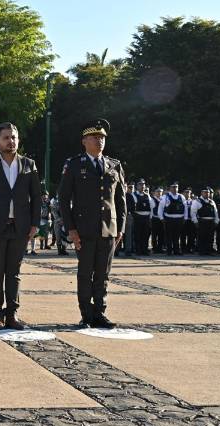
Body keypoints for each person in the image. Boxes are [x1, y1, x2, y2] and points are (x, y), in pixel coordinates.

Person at [58, 118, 126, 329]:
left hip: (108, 229)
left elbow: (121, 201)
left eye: (102, 137)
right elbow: (63, 199)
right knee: (85, 274)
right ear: (84, 141)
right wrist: (71, 229)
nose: (100, 141)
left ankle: (100, 313)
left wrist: (120, 228)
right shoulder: (74, 165)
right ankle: (86, 315)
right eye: (95, 137)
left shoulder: (114, 165)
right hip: (84, 229)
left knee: (103, 274)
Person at [0, 122, 42, 330]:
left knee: (14, 272)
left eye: (14, 137)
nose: (10, 141)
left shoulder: (29, 164)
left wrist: (35, 223)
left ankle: (12, 314)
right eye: (6, 138)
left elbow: (36, 197)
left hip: (20, 227)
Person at [158, 182, 186, 255]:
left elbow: (185, 208)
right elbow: (160, 208)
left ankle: (176, 251)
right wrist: (161, 218)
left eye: (176, 187)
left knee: (177, 236)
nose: (174, 188)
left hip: (179, 219)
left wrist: (185, 218)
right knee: (169, 236)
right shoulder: (165, 197)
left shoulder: (181, 197)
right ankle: (169, 251)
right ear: (170, 188)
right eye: (173, 187)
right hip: (169, 219)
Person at [191, 187, 219, 256]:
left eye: (208, 192)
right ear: (202, 193)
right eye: (205, 192)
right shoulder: (197, 201)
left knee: (210, 237)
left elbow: (216, 212)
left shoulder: (212, 202)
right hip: (202, 222)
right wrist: (195, 221)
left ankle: (209, 250)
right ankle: (202, 251)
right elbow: (193, 212)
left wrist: (216, 221)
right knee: (202, 237)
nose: (207, 194)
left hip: (211, 222)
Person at [131, 179, 153, 255]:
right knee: (138, 235)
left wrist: (150, 218)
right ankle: (138, 250)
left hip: (146, 217)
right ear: (137, 186)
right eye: (140, 184)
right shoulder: (133, 195)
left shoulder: (147, 195)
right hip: (138, 217)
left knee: (146, 235)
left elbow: (152, 206)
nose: (142, 186)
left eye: (143, 184)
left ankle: (145, 250)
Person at [118, 182, 135, 257]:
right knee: (118, 233)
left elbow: (133, 206)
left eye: (125, 187)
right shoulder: (117, 195)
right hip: (119, 216)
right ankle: (116, 250)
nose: (124, 188)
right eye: (123, 186)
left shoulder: (129, 196)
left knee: (128, 235)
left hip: (128, 216)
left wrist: (131, 215)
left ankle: (128, 250)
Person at [181, 187, 197, 254]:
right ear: (183, 193)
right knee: (183, 235)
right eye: (186, 192)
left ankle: (189, 248)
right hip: (183, 220)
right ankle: (183, 249)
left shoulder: (193, 201)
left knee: (191, 235)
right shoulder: (181, 201)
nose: (187, 194)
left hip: (191, 220)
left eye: (189, 192)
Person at [150, 187, 165, 253]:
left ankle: (160, 248)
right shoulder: (152, 199)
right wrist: (150, 219)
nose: (159, 193)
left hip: (161, 219)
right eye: (158, 191)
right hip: (155, 219)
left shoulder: (163, 199)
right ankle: (154, 248)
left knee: (161, 235)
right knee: (154, 235)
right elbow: (151, 210)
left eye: (160, 191)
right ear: (154, 192)